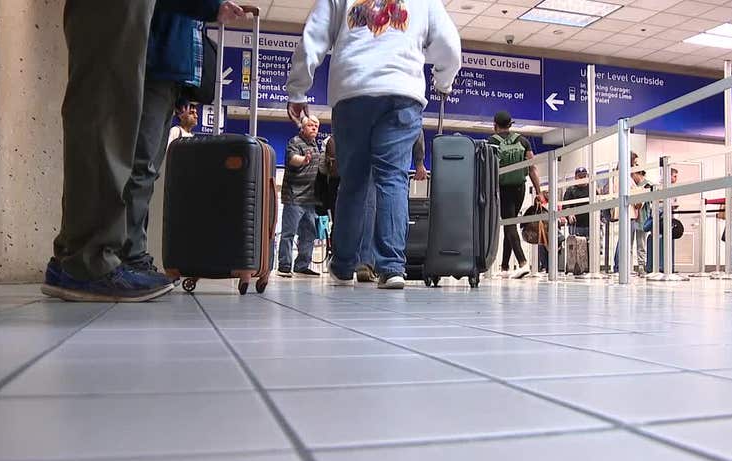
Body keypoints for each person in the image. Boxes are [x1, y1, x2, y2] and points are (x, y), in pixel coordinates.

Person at [42, 0, 245, 303]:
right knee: (108, 126)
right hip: (146, 48)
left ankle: (81, 255)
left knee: (111, 131)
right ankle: (91, 261)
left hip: (159, 60)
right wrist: (207, 6)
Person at [286, 0, 460, 290]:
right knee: (393, 180)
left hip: (352, 91)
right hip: (402, 93)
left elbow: (313, 34)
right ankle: (391, 268)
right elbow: (450, 47)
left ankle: (343, 266)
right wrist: (443, 82)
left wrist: (298, 89)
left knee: (353, 182)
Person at [355, 135, 426, 283]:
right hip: (397, 148)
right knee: (394, 190)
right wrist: (419, 162)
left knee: (368, 205)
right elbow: (416, 129)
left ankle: (362, 262)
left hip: (367, 149)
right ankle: (391, 268)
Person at [491, 111, 542, 279]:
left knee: (509, 224)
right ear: (510, 125)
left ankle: (522, 262)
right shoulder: (523, 141)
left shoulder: (492, 142)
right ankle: (505, 267)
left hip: (503, 188)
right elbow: (532, 168)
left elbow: (488, 170)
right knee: (510, 223)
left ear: (495, 125)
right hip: (520, 188)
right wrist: (539, 192)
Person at [278, 116, 323, 278]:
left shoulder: (315, 145)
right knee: (288, 233)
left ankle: (302, 265)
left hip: (310, 199)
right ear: (302, 128)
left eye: (316, 126)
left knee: (309, 234)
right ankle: (284, 265)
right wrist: (303, 160)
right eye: (310, 125)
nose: (314, 128)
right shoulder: (295, 142)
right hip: (294, 197)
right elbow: (293, 159)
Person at [613, 152, 651, 275]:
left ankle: (621, 267)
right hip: (628, 213)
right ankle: (620, 267)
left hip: (629, 213)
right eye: (634, 163)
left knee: (625, 241)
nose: (636, 166)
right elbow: (631, 195)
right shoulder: (624, 177)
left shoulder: (622, 176)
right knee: (625, 242)